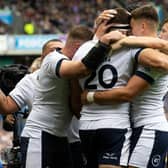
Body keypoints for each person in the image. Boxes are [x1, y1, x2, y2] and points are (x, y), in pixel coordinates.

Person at [19, 24, 124, 168]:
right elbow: (82, 69)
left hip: (61, 137)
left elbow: (75, 107)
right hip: (39, 133)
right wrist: (103, 43)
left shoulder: (71, 72)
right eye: (85, 50)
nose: (85, 53)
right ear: (78, 46)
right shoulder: (53, 58)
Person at [81, 5, 168, 168]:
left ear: (141, 26)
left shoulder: (153, 55)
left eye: (131, 28)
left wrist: (90, 96)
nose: (128, 32)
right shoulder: (142, 48)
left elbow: (128, 93)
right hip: (137, 126)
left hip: (150, 128)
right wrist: (99, 29)